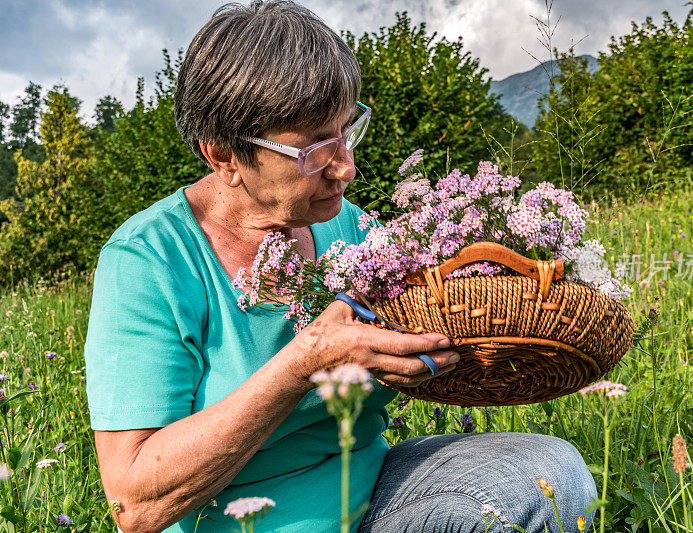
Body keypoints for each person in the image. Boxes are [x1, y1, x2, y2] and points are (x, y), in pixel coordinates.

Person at [84, 1, 597, 532]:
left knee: (550, 475)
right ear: (224, 157)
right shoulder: (148, 262)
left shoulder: (347, 227)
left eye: (347, 132)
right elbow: (135, 503)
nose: (346, 167)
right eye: (313, 151)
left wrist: (486, 303)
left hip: (374, 493)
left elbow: (424, 333)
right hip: (242, 521)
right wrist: (303, 365)